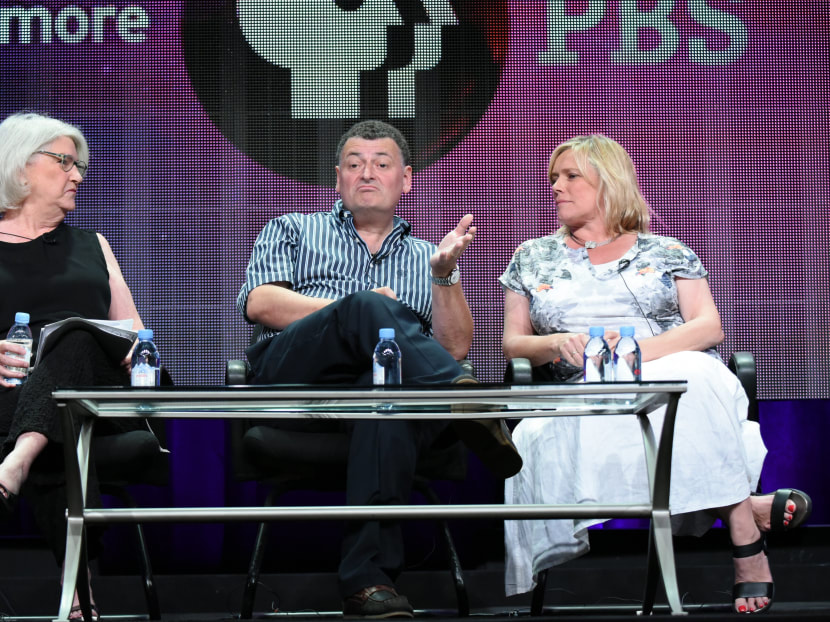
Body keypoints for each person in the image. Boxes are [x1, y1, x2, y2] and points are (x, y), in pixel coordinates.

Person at [499, 134, 812, 614]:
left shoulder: (666, 250)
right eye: (553, 177)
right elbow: (514, 344)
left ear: (609, 182)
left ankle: (743, 536)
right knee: (685, 386)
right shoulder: (531, 255)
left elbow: (708, 326)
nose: (556, 186)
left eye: (571, 176)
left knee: (692, 375)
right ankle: (742, 513)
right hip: (584, 391)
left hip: (667, 379)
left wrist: (633, 354)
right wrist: (557, 343)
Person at [237, 120, 521, 618]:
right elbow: (260, 303)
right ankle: (464, 400)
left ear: (405, 180)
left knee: (386, 397)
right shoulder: (293, 229)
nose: (366, 172)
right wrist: (354, 305)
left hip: (379, 391)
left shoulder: (426, 255)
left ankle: (368, 583)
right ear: (338, 179)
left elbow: (455, 346)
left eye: (381, 164)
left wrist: (444, 276)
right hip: (295, 380)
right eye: (354, 164)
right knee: (368, 308)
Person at [0, 112, 152, 620]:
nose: (78, 177)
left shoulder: (93, 244)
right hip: (20, 395)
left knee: (78, 336)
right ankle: (79, 593)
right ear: (20, 166)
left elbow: (135, 334)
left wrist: (135, 351)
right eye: (65, 162)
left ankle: (16, 462)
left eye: (79, 166)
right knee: (53, 422)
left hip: (98, 394)